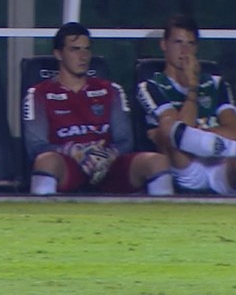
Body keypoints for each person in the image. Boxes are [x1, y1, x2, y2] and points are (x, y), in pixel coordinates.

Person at [137, 15, 236, 196]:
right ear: (164, 45)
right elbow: (178, 135)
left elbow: (234, 132)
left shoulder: (216, 84)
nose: (184, 50)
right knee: (168, 128)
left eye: (190, 44)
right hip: (186, 167)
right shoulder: (151, 86)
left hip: (220, 162)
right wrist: (192, 89)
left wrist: (201, 138)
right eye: (178, 42)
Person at [24, 22, 174, 196]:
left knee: (157, 162)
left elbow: (125, 140)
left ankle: (164, 220)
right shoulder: (39, 93)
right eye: (75, 49)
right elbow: (35, 147)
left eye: (87, 49)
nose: (83, 56)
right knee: (45, 161)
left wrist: (108, 155)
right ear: (58, 54)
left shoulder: (111, 89)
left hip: (108, 165)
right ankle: (42, 218)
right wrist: (75, 151)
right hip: (68, 165)